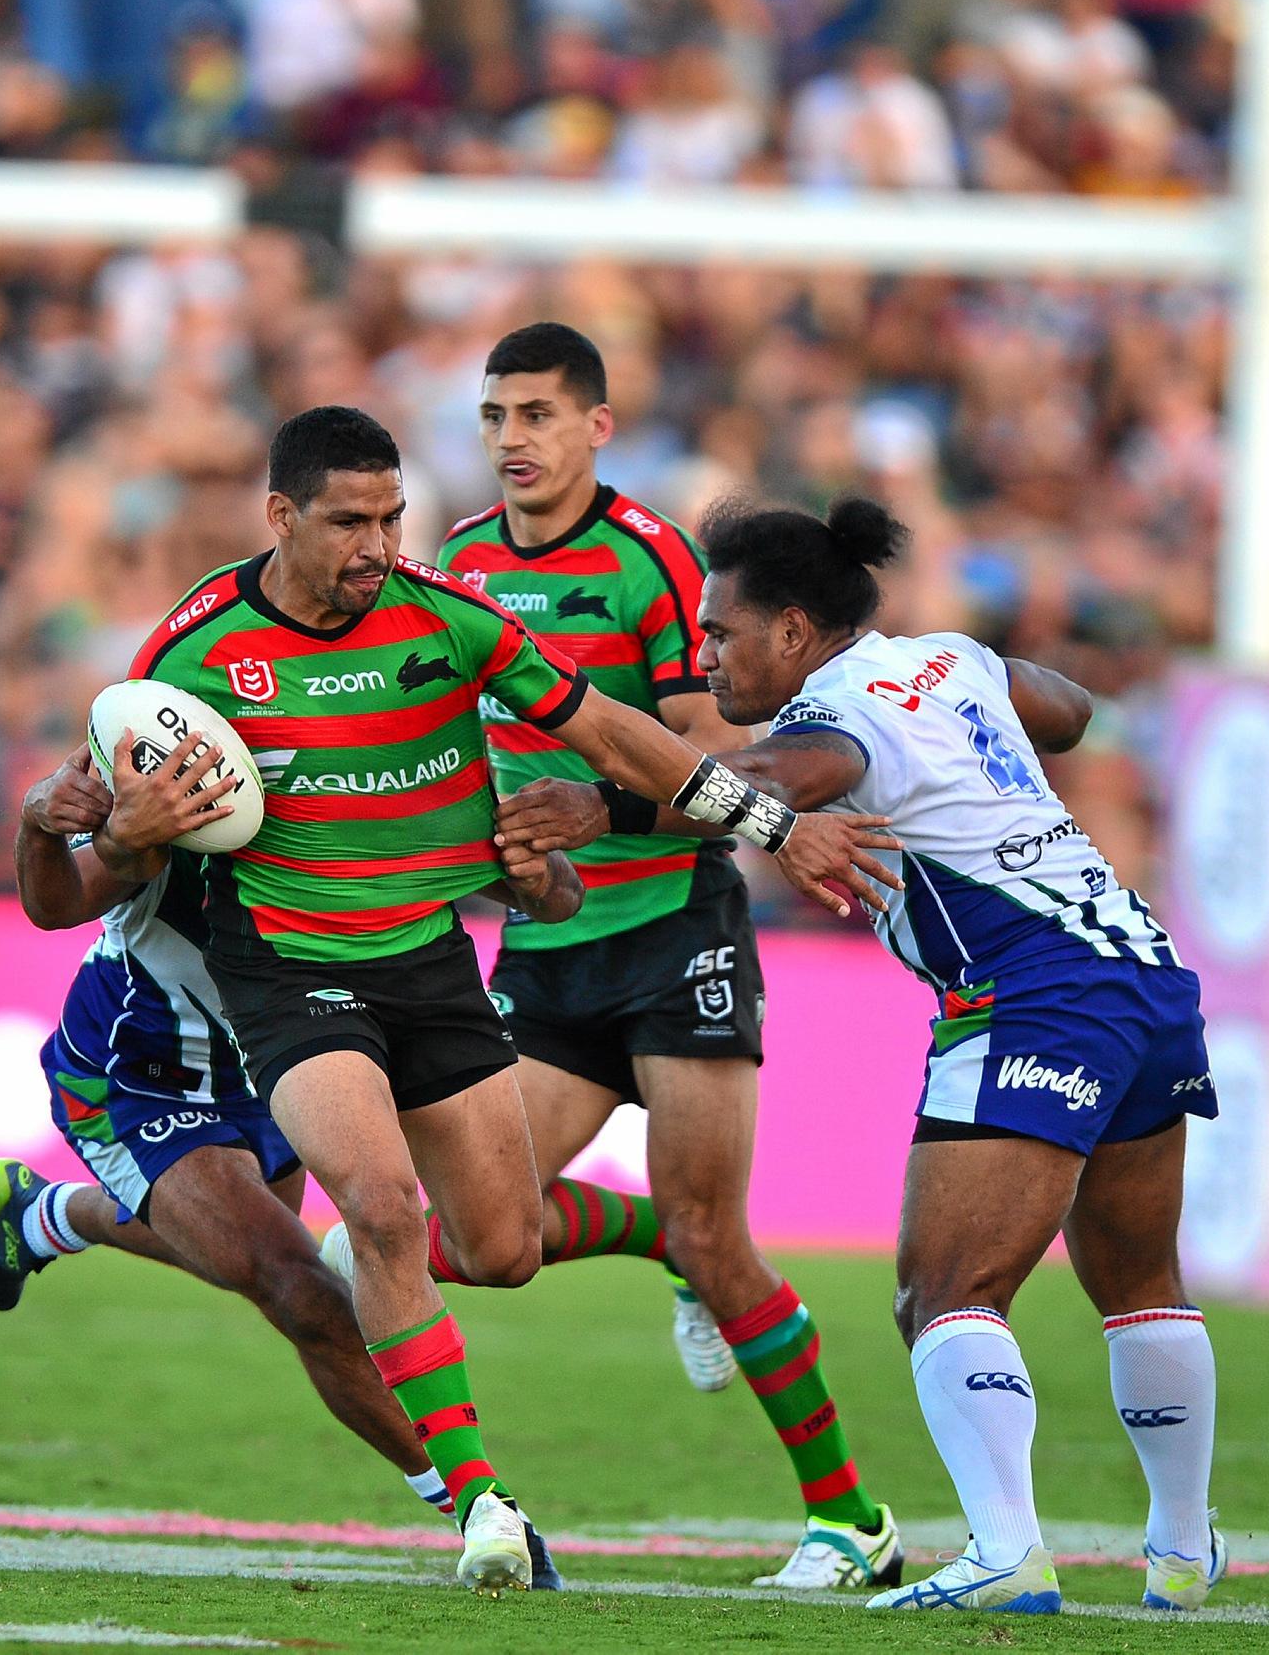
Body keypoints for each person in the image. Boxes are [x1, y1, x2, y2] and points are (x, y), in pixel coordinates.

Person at [109, 405, 901, 1593]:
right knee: (379, 1207)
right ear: (279, 516)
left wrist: (768, 826)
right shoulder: (192, 657)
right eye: (348, 522)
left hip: (464, 958)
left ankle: (675, 1268)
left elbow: (614, 732)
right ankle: (482, 1505)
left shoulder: (458, 613)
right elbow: (112, 847)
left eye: (390, 518)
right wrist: (112, 831)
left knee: (503, 1244)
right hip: (290, 966)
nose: (377, 545)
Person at [593, 493, 1220, 1614]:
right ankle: (1182, 1550)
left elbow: (782, 781)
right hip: (1142, 968)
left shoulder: (833, 711)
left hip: (1031, 990)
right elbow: (1069, 710)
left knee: (942, 1291)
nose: (706, 656)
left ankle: (1005, 1551)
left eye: (721, 633)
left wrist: (599, 809)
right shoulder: (948, 655)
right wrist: (983, 710)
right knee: (1139, 1283)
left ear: (792, 630)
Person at [410, 321, 902, 1591]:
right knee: (463, 1239)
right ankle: (654, 1244)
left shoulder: (652, 564)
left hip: (675, 934)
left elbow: (711, 762)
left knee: (720, 1235)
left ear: (595, 428)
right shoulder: (457, 567)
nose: (514, 439)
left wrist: (597, 807)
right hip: (545, 953)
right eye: (496, 416)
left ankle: (849, 1518)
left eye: (538, 415)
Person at [0, 727, 573, 1586]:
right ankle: (478, 1503)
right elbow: (56, 898)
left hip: (288, 1065)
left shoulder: (375, 794)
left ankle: (48, 1213)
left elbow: (558, 898)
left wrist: (536, 865)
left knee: (255, 1250)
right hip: (142, 1078)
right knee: (297, 1285)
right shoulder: (177, 810)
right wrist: (38, 823)